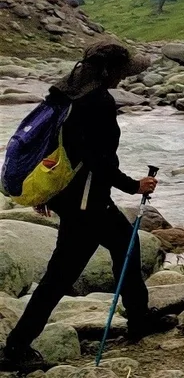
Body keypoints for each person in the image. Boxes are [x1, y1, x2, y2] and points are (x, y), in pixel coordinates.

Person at [2, 41, 161, 372]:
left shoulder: (66, 91)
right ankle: (16, 347)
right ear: (109, 71)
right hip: (87, 204)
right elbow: (96, 160)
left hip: (80, 196)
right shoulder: (98, 102)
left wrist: (49, 194)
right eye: (121, 70)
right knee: (60, 277)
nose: (123, 77)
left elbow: (60, 148)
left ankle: (140, 318)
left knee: (125, 246)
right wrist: (134, 186)